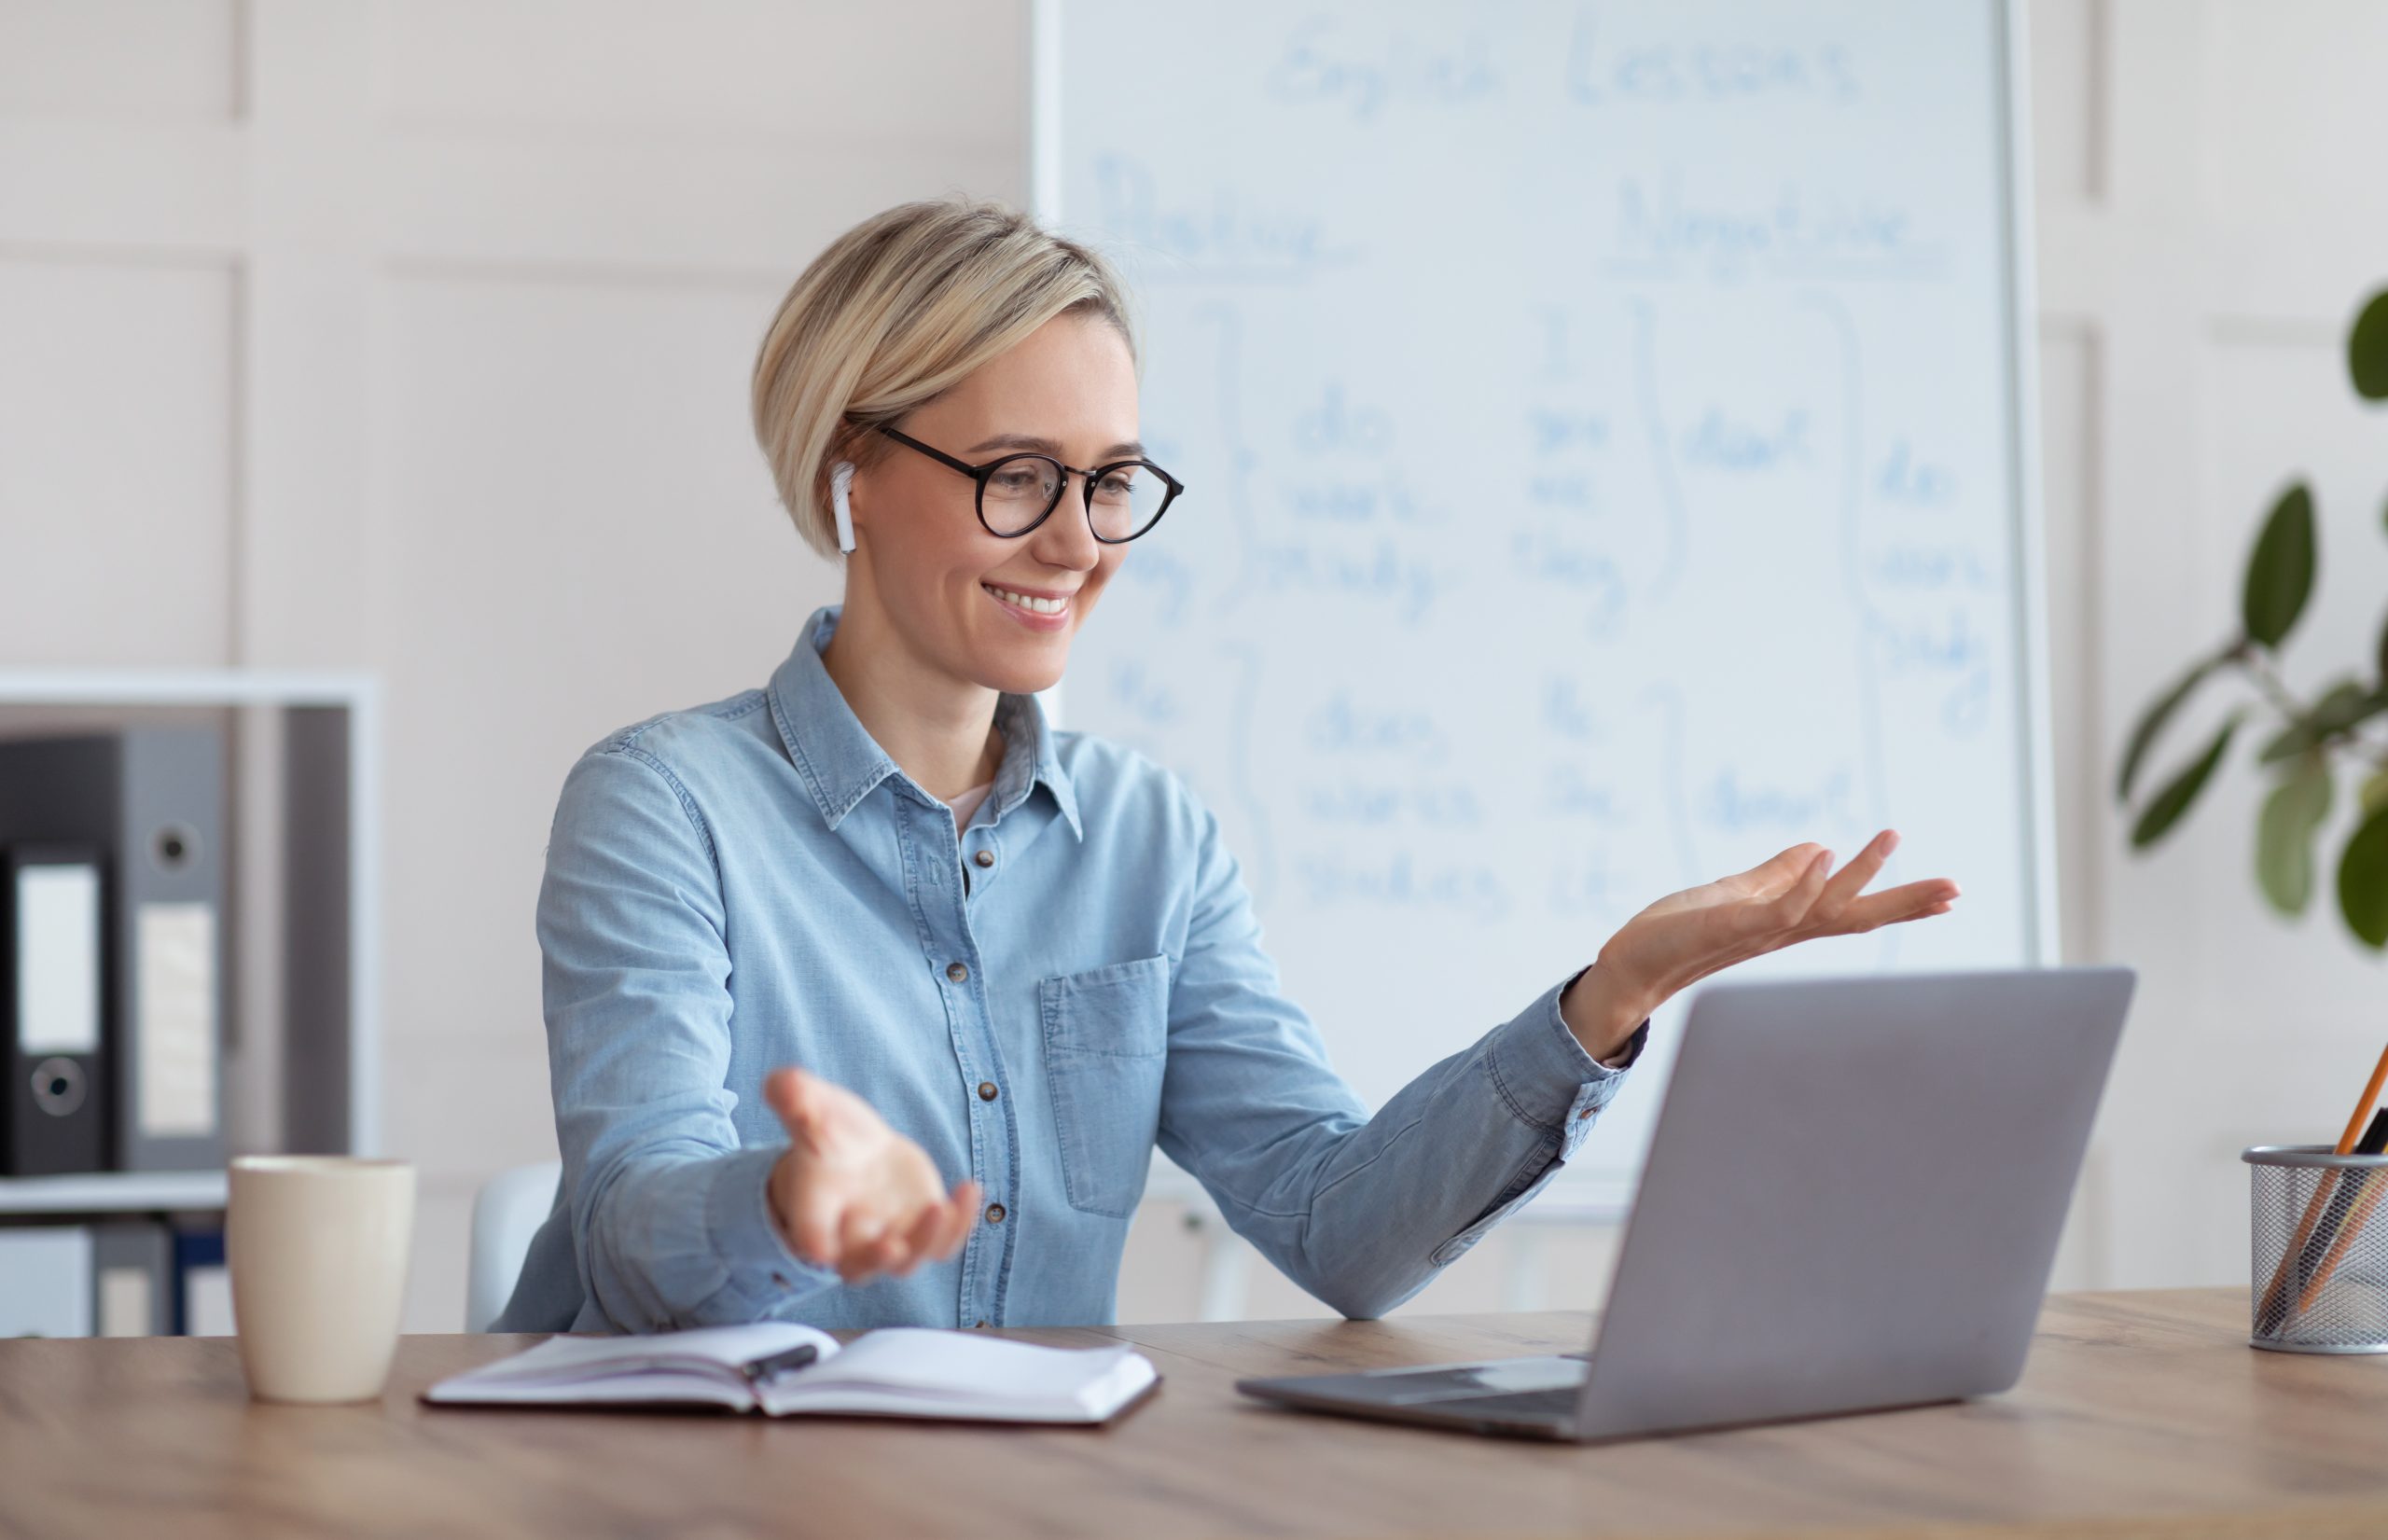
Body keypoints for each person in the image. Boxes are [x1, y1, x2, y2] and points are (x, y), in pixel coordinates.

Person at [493, 197, 1959, 1335]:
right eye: (1017, 476)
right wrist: (787, 1202)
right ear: (851, 473)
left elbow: (1339, 1228)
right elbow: (630, 1239)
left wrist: (1610, 996)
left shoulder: (1151, 839)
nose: (1077, 541)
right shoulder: (665, 806)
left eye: (1111, 482)